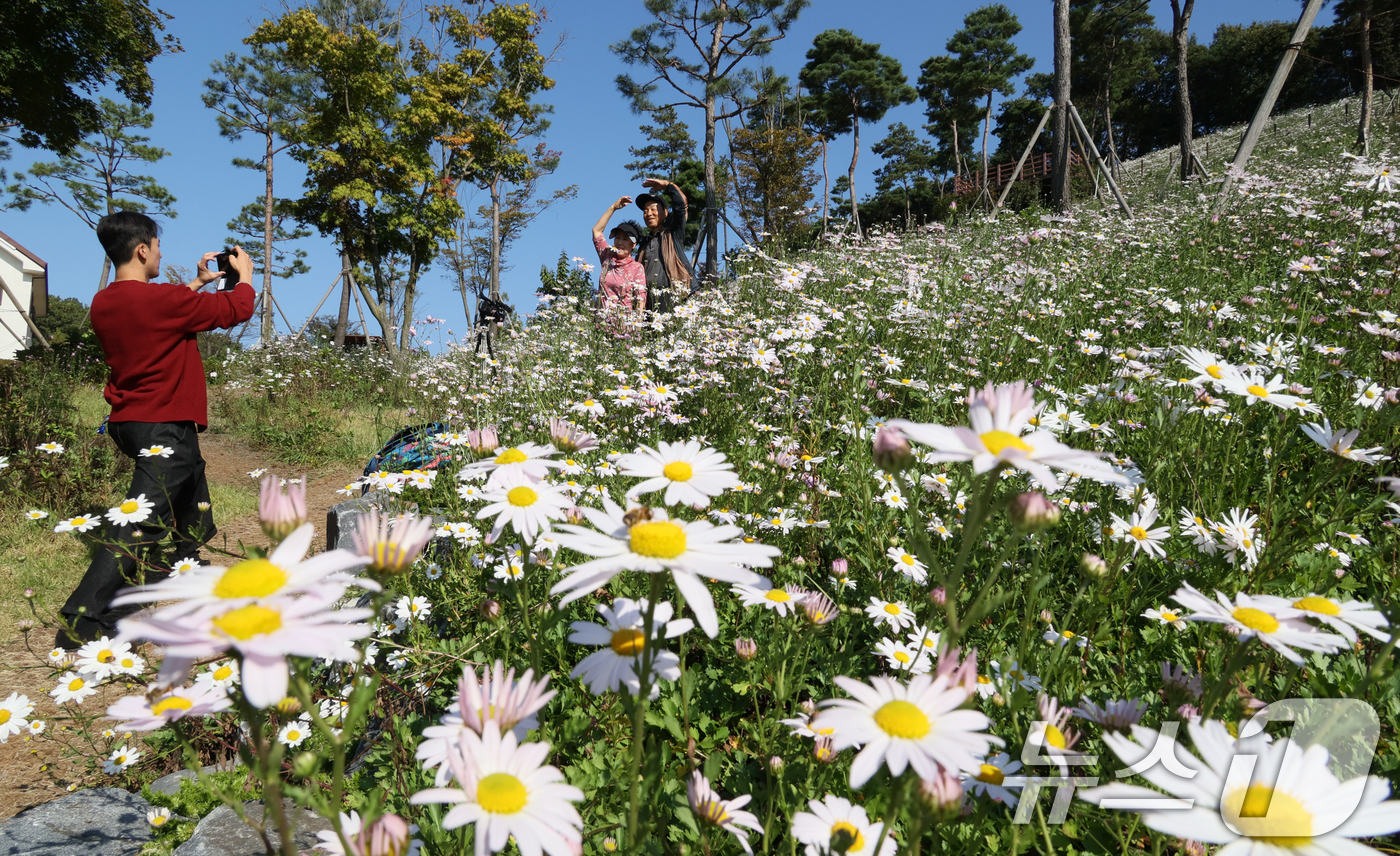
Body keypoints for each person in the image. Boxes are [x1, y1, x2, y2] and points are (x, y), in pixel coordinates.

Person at [56, 211, 256, 648]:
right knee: (143, 516)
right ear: (143, 248)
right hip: (160, 423)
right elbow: (238, 309)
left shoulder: (105, 301)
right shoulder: (163, 301)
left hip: (131, 421)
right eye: (158, 246)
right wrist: (243, 277)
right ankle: (81, 623)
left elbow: (159, 309)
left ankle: (188, 557)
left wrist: (199, 283)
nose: (162, 253)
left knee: (190, 475)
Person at [634, 177, 697, 314]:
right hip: (648, 303)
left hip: (675, 297)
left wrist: (668, 185)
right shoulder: (644, 244)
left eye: (653, 209)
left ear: (666, 212)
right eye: (645, 211)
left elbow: (681, 206)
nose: (648, 213)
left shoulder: (673, 233)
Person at [590, 196, 646, 315]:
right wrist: (613, 207)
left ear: (633, 244)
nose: (619, 242)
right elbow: (596, 231)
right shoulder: (607, 256)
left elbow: (640, 299)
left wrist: (638, 327)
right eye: (617, 238)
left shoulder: (637, 268)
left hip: (623, 327)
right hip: (601, 324)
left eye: (625, 239)